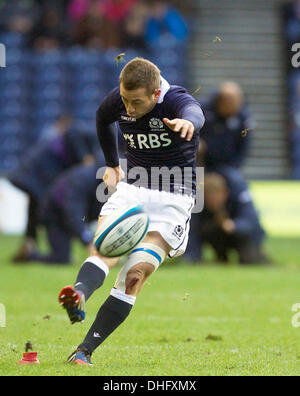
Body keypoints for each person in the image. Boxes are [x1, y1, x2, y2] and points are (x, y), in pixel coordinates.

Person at [58, 57, 204, 365]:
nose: (128, 109)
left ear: (154, 94)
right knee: (104, 246)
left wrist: (189, 122)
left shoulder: (176, 100)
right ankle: (80, 293)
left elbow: (195, 112)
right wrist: (112, 164)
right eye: (125, 100)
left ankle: (84, 351)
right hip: (134, 188)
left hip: (173, 197)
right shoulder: (121, 99)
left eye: (136, 102)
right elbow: (101, 117)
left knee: (136, 272)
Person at [8, 123, 98, 263]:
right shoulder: (95, 137)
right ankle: (30, 243)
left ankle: (30, 243)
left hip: (43, 175)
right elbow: (72, 130)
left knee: (37, 202)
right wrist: (84, 157)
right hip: (39, 172)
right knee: (40, 201)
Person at [24, 159, 105, 264]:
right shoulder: (83, 180)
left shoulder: (101, 180)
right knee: (61, 259)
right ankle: (30, 255)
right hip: (55, 215)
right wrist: (88, 242)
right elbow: (74, 212)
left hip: (67, 213)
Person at [186, 172, 267, 265]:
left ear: (225, 193)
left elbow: (251, 222)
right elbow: (192, 232)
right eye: (209, 195)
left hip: (239, 236)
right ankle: (221, 258)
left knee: (250, 259)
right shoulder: (197, 207)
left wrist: (233, 225)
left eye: (216, 194)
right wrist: (193, 257)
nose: (213, 199)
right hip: (216, 236)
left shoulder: (238, 200)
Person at [198, 81, 254, 171]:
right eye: (228, 102)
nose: (232, 106)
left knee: (236, 182)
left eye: (235, 102)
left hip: (226, 165)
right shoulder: (201, 110)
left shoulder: (242, 118)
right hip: (201, 163)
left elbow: (242, 147)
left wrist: (233, 166)